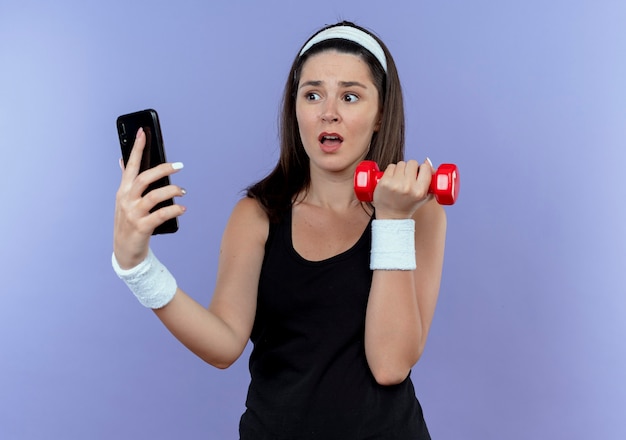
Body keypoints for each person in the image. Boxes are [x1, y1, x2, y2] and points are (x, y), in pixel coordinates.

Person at [112, 21, 446, 439]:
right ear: (296, 109)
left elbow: (391, 364)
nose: (329, 111)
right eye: (312, 94)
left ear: (380, 116)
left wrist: (393, 220)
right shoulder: (256, 215)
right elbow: (224, 344)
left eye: (350, 96)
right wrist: (137, 267)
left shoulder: (420, 212)